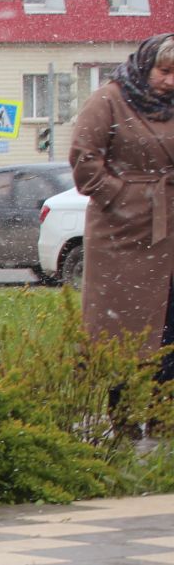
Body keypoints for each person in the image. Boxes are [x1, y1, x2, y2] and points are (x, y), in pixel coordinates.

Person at [71, 34, 174, 381]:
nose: (170, 81)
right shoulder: (109, 100)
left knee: (169, 328)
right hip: (121, 236)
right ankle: (123, 416)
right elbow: (85, 162)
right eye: (164, 71)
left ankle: (163, 421)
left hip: (171, 227)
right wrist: (126, 199)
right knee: (120, 328)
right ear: (146, 65)